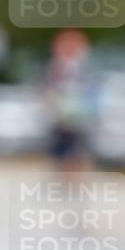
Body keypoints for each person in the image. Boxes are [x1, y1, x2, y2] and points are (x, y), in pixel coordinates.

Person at [44, 29, 94, 172]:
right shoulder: (55, 67)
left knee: (77, 148)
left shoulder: (82, 67)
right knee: (62, 148)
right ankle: (64, 176)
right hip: (61, 115)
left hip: (78, 115)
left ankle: (76, 177)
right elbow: (48, 90)